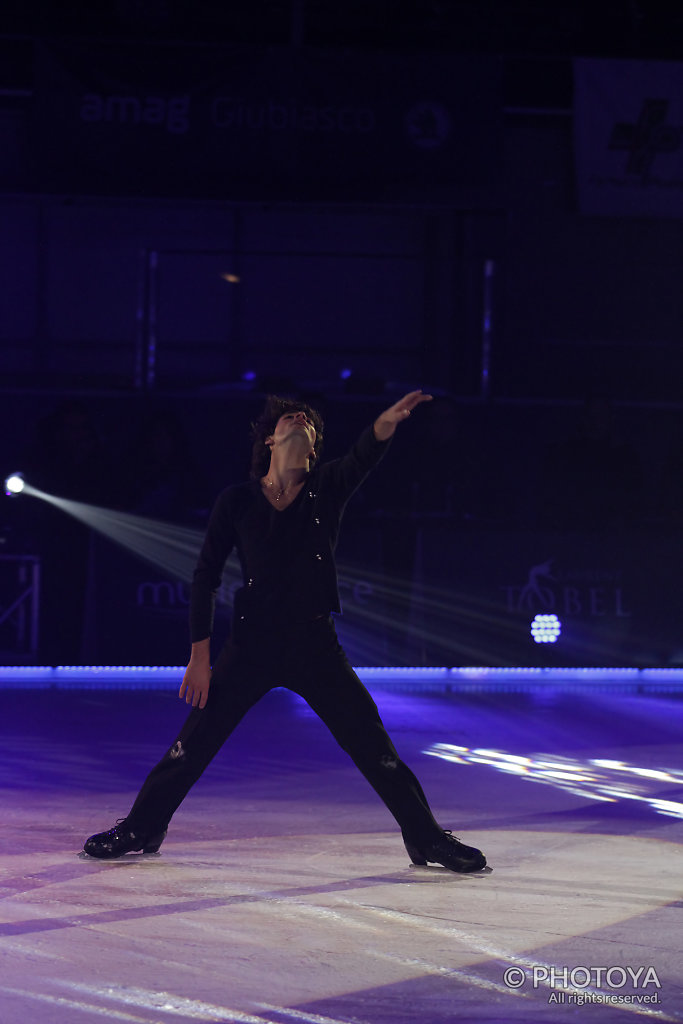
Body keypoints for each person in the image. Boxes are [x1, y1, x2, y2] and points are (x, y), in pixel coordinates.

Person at [84, 391, 487, 872]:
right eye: (288, 418)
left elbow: (364, 455)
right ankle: (142, 825)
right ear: (271, 440)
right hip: (251, 644)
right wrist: (199, 658)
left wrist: (383, 424)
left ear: (312, 448)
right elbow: (205, 576)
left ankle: (426, 839)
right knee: (192, 744)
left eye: (308, 421)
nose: (298, 420)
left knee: (374, 746)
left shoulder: (328, 487)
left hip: (315, 644)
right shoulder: (237, 501)